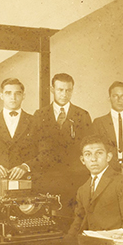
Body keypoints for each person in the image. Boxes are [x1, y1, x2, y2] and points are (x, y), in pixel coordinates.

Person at [34, 73, 92, 212]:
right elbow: (33, 147)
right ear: (52, 89)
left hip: (75, 179)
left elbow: (89, 147)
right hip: (48, 179)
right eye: (60, 90)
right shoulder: (40, 115)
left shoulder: (82, 115)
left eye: (68, 90)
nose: (64, 94)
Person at [67, 134, 123, 236]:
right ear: (82, 160)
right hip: (92, 242)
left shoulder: (122, 182)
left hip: (116, 242)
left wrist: (120, 240)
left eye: (99, 153)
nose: (93, 159)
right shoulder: (83, 190)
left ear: (108, 157)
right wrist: (67, 241)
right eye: (88, 154)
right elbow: (79, 221)